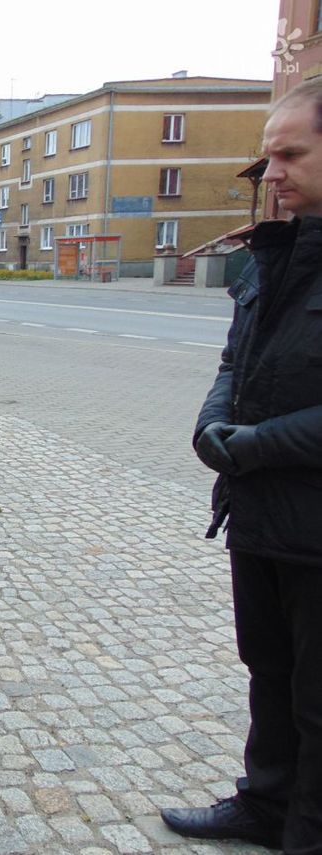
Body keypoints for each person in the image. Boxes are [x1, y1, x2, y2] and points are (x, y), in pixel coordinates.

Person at [161, 76, 322, 853]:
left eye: (291, 153)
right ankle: (265, 803)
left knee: (318, 695)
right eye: (269, 157)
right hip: (259, 515)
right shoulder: (271, 254)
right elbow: (235, 361)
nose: (275, 172)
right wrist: (211, 422)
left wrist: (252, 445)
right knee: (268, 668)